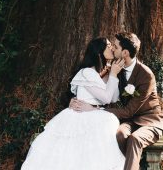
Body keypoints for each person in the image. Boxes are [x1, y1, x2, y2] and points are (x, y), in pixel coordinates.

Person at [21, 37, 125, 170]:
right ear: (99, 51)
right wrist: (114, 75)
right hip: (80, 116)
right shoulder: (87, 72)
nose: (111, 47)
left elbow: (113, 97)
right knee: (74, 156)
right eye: (108, 45)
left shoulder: (101, 73)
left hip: (92, 113)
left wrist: (112, 75)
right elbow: (106, 99)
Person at [71, 32, 163, 170]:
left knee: (134, 139)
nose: (112, 48)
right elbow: (92, 84)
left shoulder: (146, 75)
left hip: (149, 120)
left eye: (115, 46)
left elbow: (129, 110)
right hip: (128, 120)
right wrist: (76, 100)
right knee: (119, 134)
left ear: (125, 53)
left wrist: (95, 110)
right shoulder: (115, 67)